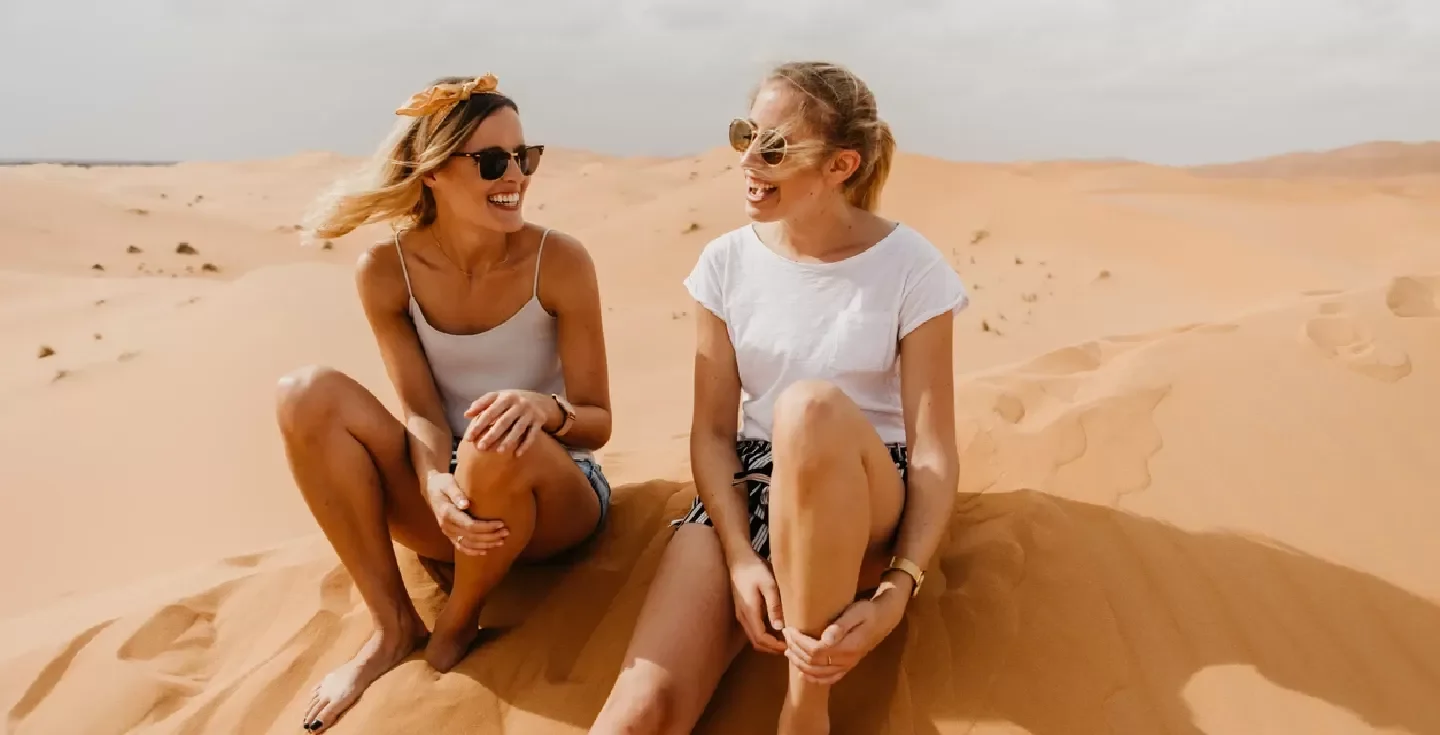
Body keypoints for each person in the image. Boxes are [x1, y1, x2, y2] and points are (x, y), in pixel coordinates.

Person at [590, 61, 968, 735]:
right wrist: (739, 556)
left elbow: (934, 449)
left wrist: (898, 588)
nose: (749, 160)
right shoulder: (725, 263)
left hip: (865, 485)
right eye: (746, 134)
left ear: (840, 165)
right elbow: (711, 433)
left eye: (775, 146)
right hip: (749, 486)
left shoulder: (912, 268)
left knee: (809, 408)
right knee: (635, 714)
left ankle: (805, 707)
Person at [275, 74, 614, 733]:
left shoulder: (560, 261)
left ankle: (456, 622)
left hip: (557, 499)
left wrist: (542, 410)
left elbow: (597, 419)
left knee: (494, 435)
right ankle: (392, 625)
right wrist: (433, 479)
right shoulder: (385, 271)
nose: (515, 175)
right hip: (456, 500)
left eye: (526, 156)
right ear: (432, 173)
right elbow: (423, 411)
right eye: (491, 161)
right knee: (304, 393)